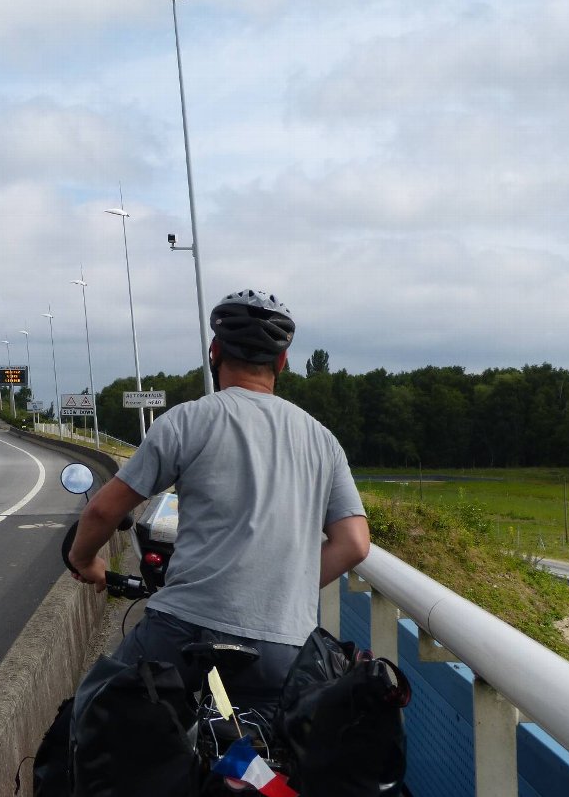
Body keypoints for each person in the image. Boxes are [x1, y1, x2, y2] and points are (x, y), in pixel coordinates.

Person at [67, 289, 370, 720]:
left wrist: (85, 560)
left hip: (183, 632)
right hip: (283, 645)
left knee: (96, 710)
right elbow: (355, 543)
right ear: (281, 363)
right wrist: (285, 587)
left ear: (214, 352)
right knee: (275, 751)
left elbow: (101, 511)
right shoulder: (323, 440)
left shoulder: (188, 420)